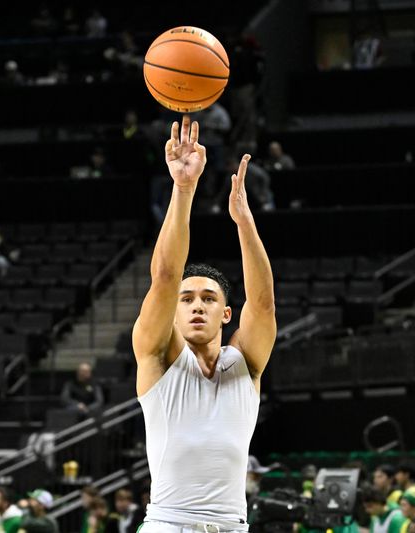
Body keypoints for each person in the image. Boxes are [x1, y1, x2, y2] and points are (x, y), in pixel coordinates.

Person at [132, 116, 277, 532]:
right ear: (174, 314)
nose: (197, 306)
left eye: (209, 299)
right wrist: (183, 190)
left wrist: (245, 222)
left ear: (225, 314)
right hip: (168, 525)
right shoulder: (157, 357)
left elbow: (263, 304)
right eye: (187, 299)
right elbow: (163, 277)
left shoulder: (245, 364)